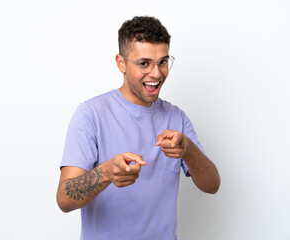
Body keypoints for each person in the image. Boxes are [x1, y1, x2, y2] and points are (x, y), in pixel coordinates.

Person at [56, 16, 220, 240]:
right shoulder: (91, 114)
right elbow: (64, 198)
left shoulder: (176, 117)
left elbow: (212, 185)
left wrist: (188, 149)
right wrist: (105, 173)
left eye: (163, 61)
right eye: (144, 63)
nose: (156, 73)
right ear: (121, 63)